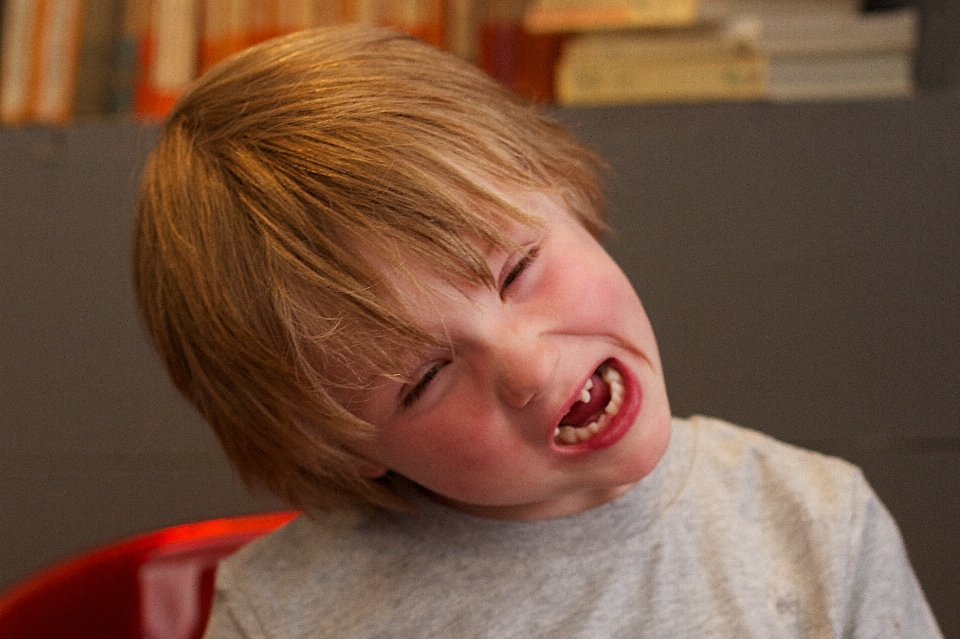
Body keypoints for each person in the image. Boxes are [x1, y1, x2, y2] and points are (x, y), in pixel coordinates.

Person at [133, 25, 943, 639]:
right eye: (425, 377)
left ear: (566, 194)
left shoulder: (817, 525)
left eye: (518, 268)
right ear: (341, 449)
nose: (525, 362)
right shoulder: (283, 616)